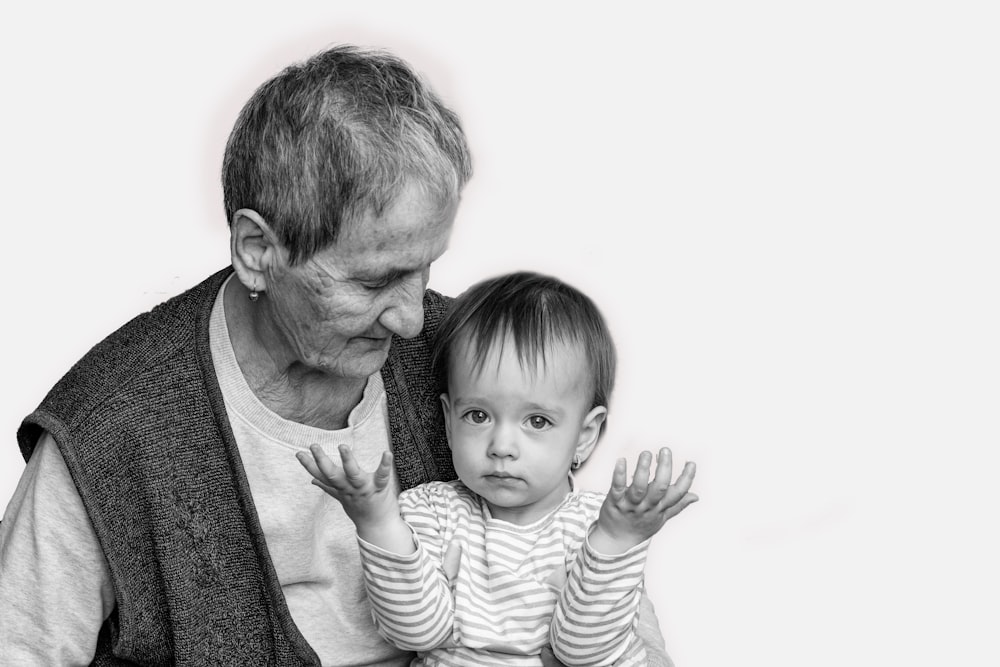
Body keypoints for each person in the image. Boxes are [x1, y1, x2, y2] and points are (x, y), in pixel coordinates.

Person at [0, 45, 675, 665]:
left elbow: (605, 602)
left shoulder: (468, 357)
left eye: (425, 269)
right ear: (258, 251)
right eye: (376, 280)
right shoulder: (113, 429)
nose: (414, 318)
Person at [299, 271, 698, 666]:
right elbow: (416, 633)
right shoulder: (429, 512)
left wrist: (616, 539)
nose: (502, 447)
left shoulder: (596, 528)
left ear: (584, 435)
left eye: (537, 421)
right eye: (478, 415)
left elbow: (583, 652)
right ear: (448, 420)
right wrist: (378, 524)